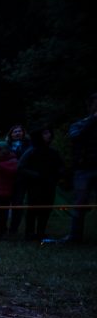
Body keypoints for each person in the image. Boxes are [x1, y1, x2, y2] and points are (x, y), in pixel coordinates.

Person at [19, 127, 64, 240]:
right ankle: (29, 233)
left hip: (49, 185)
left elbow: (60, 167)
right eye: (45, 133)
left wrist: (58, 175)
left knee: (46, 208)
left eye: (49, 133)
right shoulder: (31, 151)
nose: (48, 135)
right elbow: (21, 167)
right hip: (35, 186)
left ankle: (41, 232)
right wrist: (36, 175)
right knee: (33, 209)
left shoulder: (53, 152)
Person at [65, 93, 97, 243]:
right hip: (83, 169)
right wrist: (93, 120)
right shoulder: (79, 124)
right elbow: (76, 138)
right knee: (80, 203)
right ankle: (74, 236)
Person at [5, 126, 32, 236]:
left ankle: (13, 228)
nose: (17, 133)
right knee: (5, 203)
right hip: (7, 177)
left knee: (18, 203)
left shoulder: (29, 145)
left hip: (22, 177)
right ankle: (2, 227)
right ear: (10, 134)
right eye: (14, 132)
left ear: (23, 132)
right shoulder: (6, 146)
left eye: (19, 131)